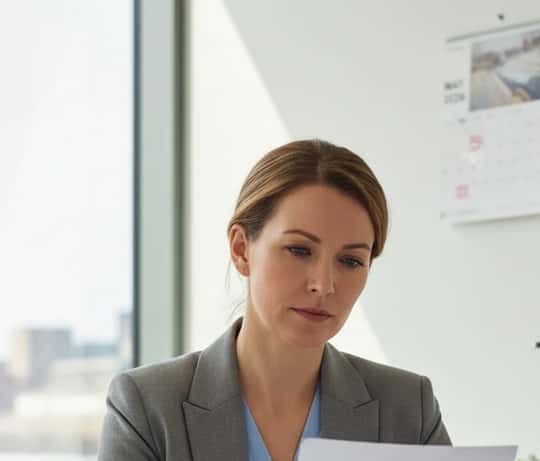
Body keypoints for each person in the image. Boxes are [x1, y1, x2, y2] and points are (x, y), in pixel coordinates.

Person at [98, 140, 450, 461]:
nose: (324, 285)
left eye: (351, 261)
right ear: (241, 248)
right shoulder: (147, 408)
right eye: (298, 250)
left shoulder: (407, 409)